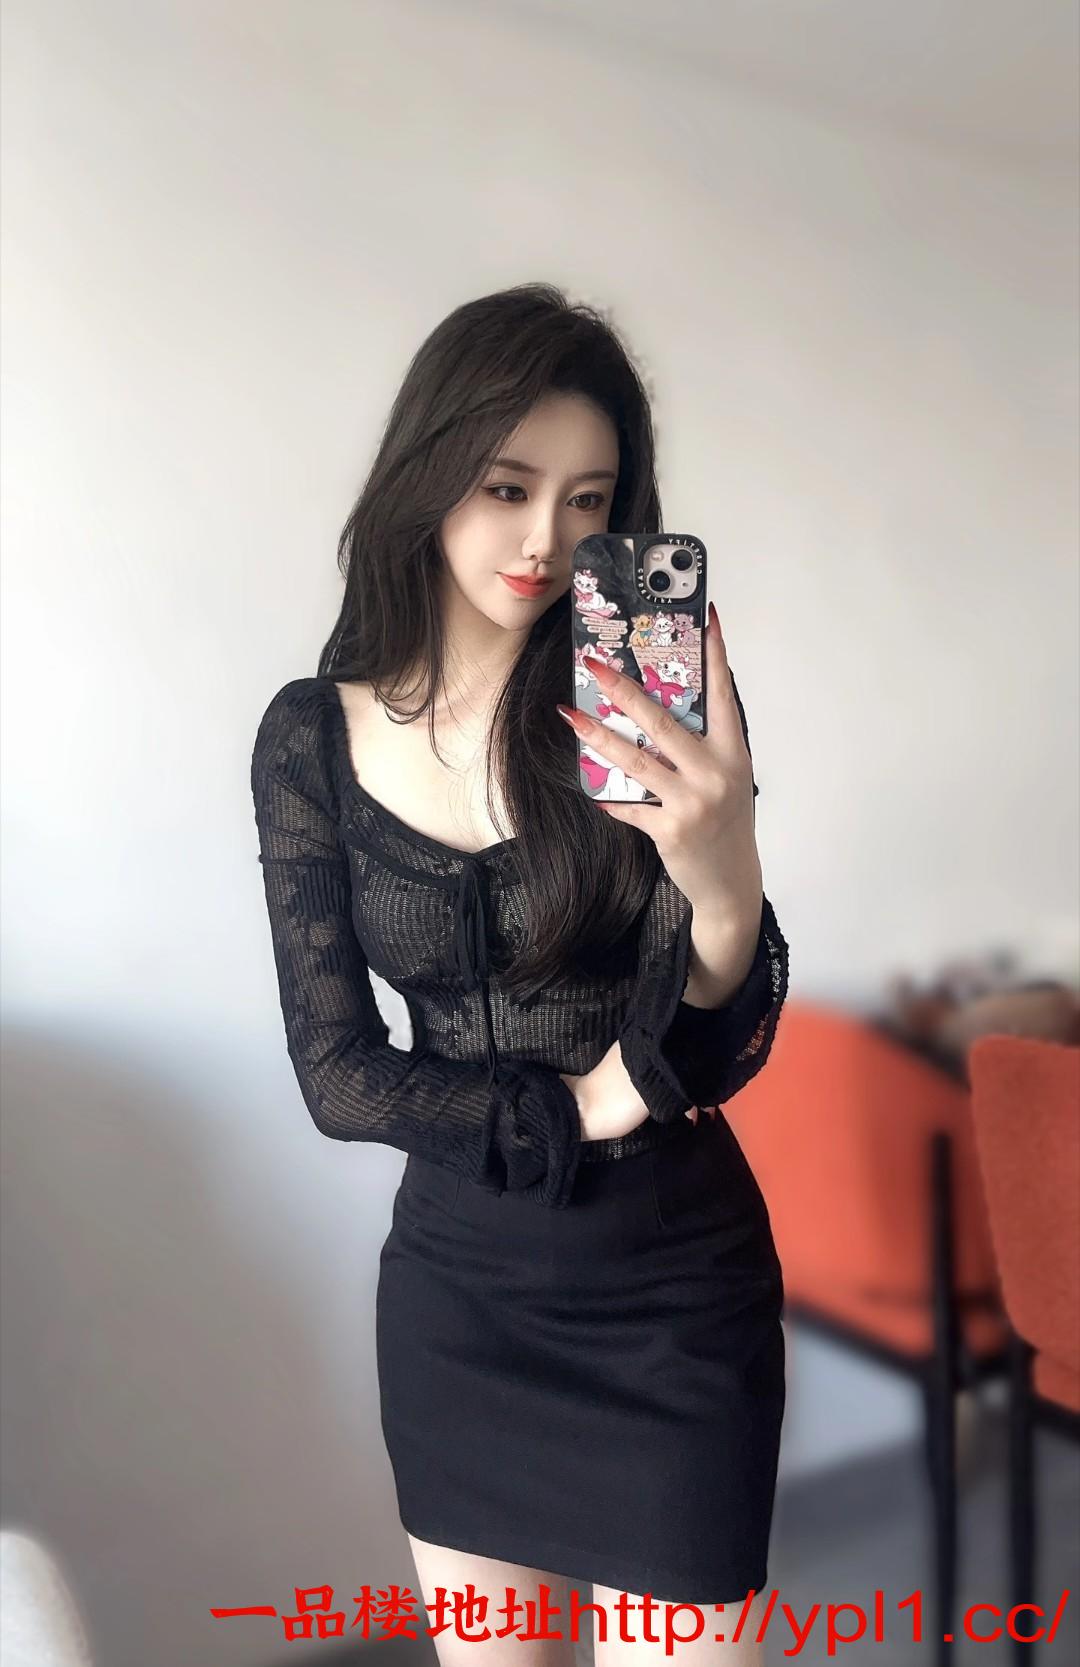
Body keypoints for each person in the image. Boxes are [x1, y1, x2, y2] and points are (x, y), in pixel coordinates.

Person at [250, 283, 790, 1664]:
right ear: (429, 476)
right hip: (460, 1301)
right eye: (508, 487)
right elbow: (337, 1074)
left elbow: (712, 1030)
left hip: (673, 1295)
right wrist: (576, 1106)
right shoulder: (310, 740)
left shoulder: (642, 711)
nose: (547, 538)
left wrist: (724, 866)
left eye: (588, 500)